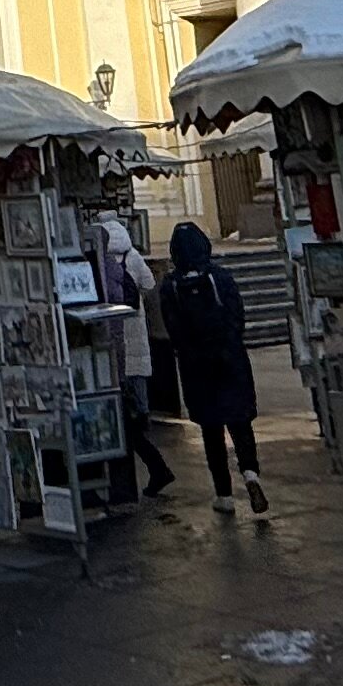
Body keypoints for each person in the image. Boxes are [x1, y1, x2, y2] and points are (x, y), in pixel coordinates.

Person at [163, 221, 266, 515]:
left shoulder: (171, 286)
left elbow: (173, 330)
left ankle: (224, 495)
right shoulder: (221, 278)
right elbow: (238, 317)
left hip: (196, 368)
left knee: (211, 430)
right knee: (240, 422)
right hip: (230, 360)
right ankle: (250, 474)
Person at [89, 218, 175, 497]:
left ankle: (154, 468)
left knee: (121, 420)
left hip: (110, 347)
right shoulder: (129, 256)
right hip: (130, 332)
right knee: (131, 395)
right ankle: (145, 419)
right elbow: (150, 285)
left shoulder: (100, 266)